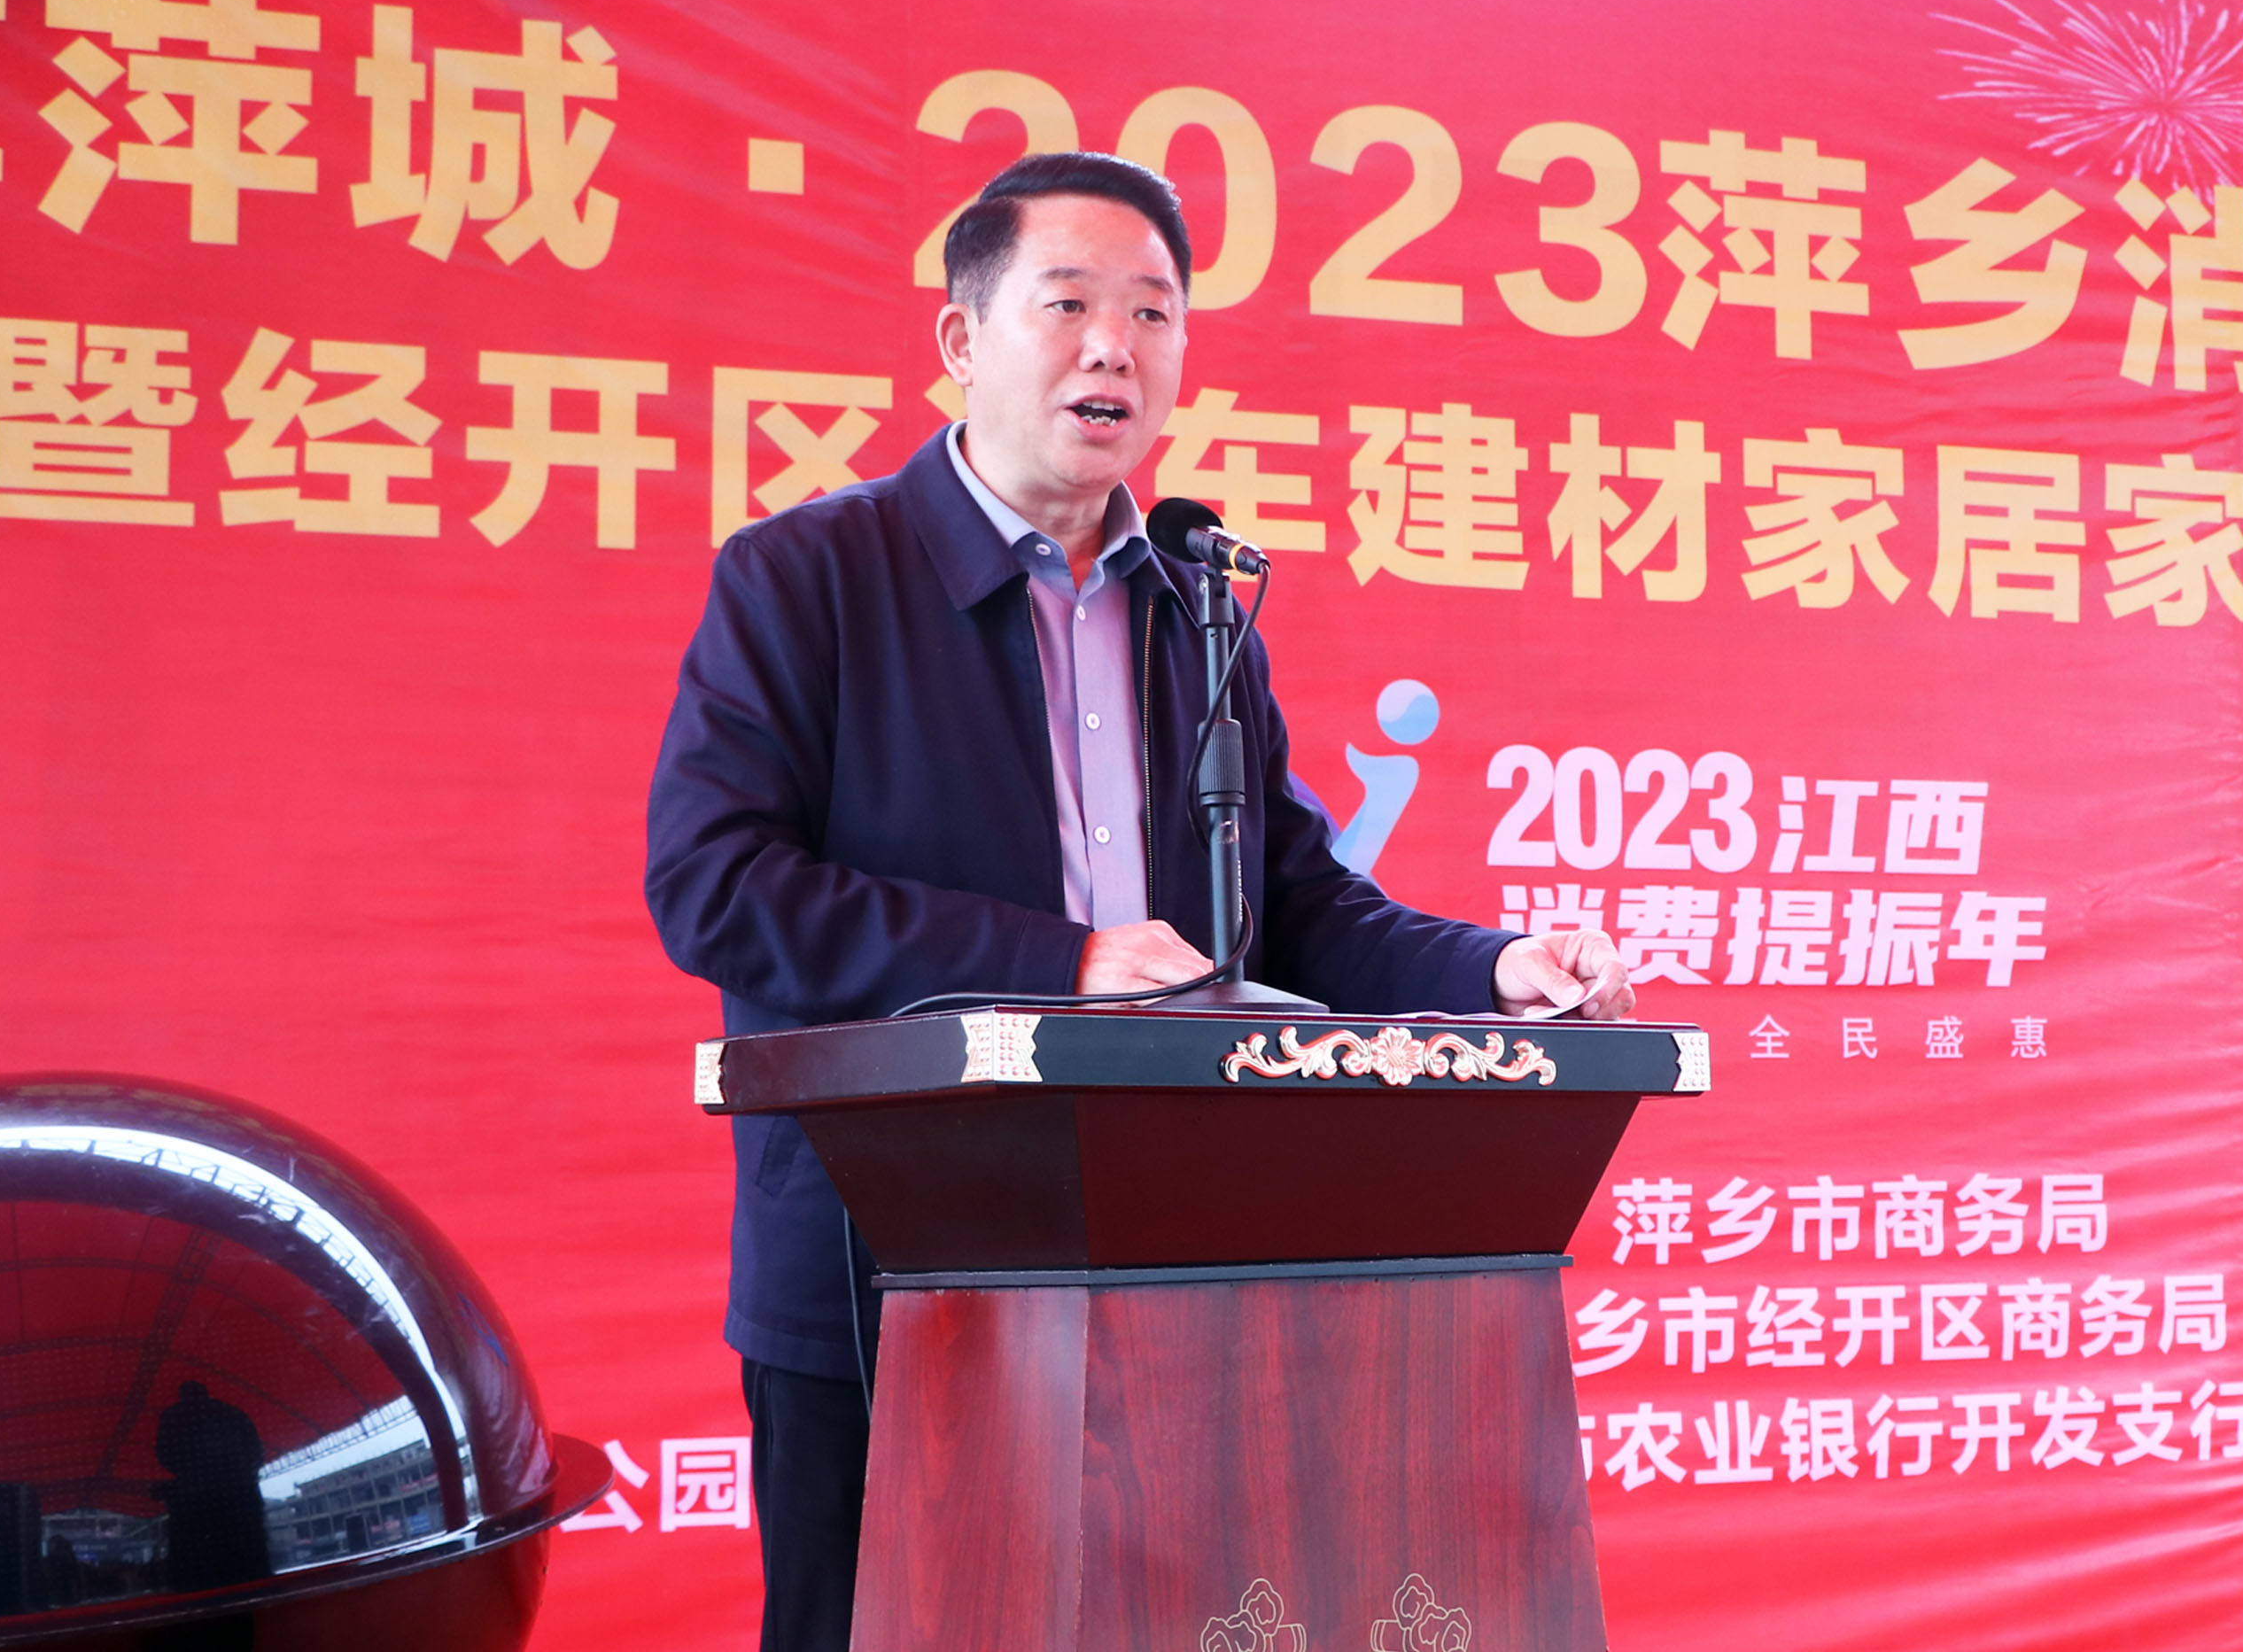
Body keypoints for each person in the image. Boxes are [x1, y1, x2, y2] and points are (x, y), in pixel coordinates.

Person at [644, 151, 1632, 1651]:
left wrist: (1496, 970)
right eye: (1069, 305)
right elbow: (715, 885)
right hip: (883, 1269)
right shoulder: (807, 578)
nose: (1115, 346)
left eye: (1154, 314)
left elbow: (1290, 909)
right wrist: (1061, 964)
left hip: (1178, 1269)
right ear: (962, 340)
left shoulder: (1195, 608)